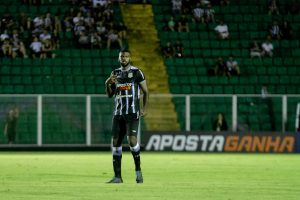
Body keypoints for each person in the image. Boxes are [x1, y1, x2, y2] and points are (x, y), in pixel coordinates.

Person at [105, 49, 149, 184]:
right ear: (119, 58)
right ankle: (117, 177)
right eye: (121, 56)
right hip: (118, 114)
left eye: (126, 56)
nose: (124, 58)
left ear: (130, 58)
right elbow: (110, 94)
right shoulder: (115, 73)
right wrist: (108, 83)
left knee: (132, 141)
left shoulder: (137, 73)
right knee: (116, 142)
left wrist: (144, 109)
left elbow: (145, 91)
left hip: (132, 113)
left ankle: (138, 171)